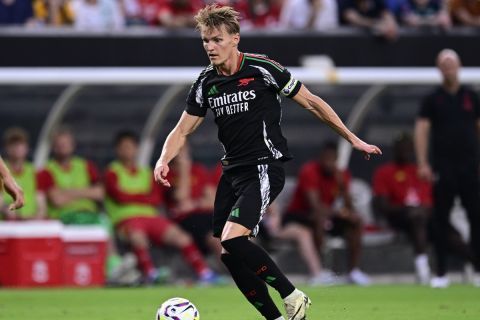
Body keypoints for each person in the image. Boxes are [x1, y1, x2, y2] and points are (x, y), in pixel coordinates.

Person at [154, 5, 381, 320]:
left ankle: (292, 295)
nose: (210, 47)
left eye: (217, 39)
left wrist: (351, 138)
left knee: (234, 238)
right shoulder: (206, 83)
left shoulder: (262, 68)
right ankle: (275, 318)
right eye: (206, 40)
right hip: (231, 173)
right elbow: (182, 129)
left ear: (235, 38)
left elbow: (312, 102)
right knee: (228, 253)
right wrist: (164, 158)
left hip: (263, 166)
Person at [104, 131, 218, 284]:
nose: (128, 151)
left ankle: (204, 273)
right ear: (117, 150)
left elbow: (155, 198)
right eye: (124, 147)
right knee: (138, 237)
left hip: (152, 217)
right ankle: (150, 274)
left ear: (137, 148)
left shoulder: (146, 172)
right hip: (127, 219)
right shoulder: (112, 172)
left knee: (182, 238)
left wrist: (132, 196)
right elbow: (120, 196)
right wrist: (143, 197)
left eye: (130, 147)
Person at [414, 49, 480, 288]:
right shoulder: (433, 99)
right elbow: (422, 130)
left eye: (452, 64)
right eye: (444, 64)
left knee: (476, 217)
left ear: (459, 66)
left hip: (470, 167)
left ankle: (477, 269)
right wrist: (423, 163)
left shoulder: (471, 97)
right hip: (444, 167)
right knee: (440, 219)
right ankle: (440, 272)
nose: (449, 69)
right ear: (439, 69)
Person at [37, 127, 127, 283]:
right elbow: (57, 200)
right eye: (59, 144)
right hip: (64, 217)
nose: (63, 147)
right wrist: (85, 192)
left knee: (103, 221)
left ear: (72, 145)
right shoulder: (47, 171)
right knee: (101, 223)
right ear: (54, 147)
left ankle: (112, 266)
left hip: (88, 214)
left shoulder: (85, 166)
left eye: (66, 144)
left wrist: (67, 192)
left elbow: (99, 193)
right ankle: (113, 266)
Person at [282, 142, 370, 286]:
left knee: (356, 221)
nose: (329, 163)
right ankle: (319, 271)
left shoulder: (341, 175)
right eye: (326, 158)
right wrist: (341, 214)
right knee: (319, 219)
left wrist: (342, 187)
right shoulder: (309, 171)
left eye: (332, 159)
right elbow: (315, 206)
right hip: (300, 215)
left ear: (336, 159)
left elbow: (349, 207)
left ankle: (353, 271)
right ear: (320, 158)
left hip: (327, 216)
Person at [372, 133, 432, 284]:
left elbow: (429, 203)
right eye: (401, 148)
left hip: (424, 218)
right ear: (395, 149)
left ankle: (476, 266)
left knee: (449, 234)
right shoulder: (385, 172)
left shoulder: (419, 171)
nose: (405, 151)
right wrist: (408, 209)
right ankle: (423, 271)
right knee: (416, 217)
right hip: (397, 218)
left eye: (408, 148)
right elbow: (383, 206)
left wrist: (420, 210)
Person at [165, 144, 222, 259]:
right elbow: (181, 197)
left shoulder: (198, 170)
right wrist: (184, 168)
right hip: (185, 219)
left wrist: (194, 204)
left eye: (183, 148)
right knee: (216, 240)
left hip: (206, 214)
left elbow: (214, 200)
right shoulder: (166, 173)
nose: (181, 152)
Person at [0, 127, 46, 220]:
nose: (17, 148)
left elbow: (41, 204)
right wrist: (6, 210)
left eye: (20, 144)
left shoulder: (35, 173)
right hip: (5, 225)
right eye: (13, 144)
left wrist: (36, 217)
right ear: (7, 148)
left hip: (30, 225)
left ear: (26, 148)